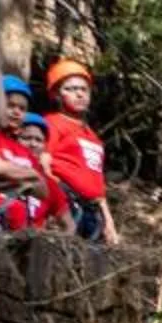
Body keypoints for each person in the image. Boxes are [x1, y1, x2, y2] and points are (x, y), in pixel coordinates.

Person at [39, 57, 116, 245]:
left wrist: (109, 221)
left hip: (92, 210)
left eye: (84, 89)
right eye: (71, 89)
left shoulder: (92, 137)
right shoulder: (52, 123)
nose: (79, 94)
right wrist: (53, 201)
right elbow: (42, 163)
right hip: (66, 202)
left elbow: (97, 184)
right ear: (56, 94)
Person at [0, 74, 49, 228]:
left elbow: (43, 191)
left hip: (18, 217)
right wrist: (30, 175)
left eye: (22, 108)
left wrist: (11, 177)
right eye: (10, 105)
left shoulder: (24, 150)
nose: (16, 112)